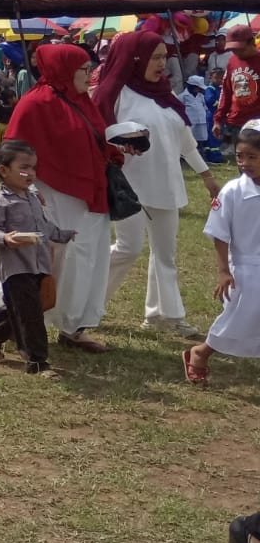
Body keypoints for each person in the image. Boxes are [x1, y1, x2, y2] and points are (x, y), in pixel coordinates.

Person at [98, 29, 221, 337]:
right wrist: (116, 145)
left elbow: (185, 141)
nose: (162, 65)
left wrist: (206, 176)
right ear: (135, 58)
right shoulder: (114, 94)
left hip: (165, 184)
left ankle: (165, 315)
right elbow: (97, 137)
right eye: (155, 58)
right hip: (129, 186)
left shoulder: (166, 95)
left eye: (164, 58)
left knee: (165, 254)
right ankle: (87, 302)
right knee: (128, 248)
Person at [0, 43, 120, 353]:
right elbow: (13, 152)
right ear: (64, 70)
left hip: (90, 194)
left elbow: (94, 139)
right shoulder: (35, 103)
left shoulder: (81, 101)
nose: (89, 74)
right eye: (83, 69)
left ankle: (75, 326)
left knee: (90, 258)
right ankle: (11, 324)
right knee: (51, 260)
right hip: (53, 193)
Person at [0, 140, 75, 377]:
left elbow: (44, 226)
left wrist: (62, 234)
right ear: (3, 170)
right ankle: (37, 362)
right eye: (24, 167)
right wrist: (6, 238)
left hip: (37, 263)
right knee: (30, 314)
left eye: (33, 168)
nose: (30, 173)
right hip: (15, 267)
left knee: (19, 308)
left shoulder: (32, 198)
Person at [184, 123, 260, 385]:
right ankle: (200, 353)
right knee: (240, 314)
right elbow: (219, 232)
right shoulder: (232, 192)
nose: (244, 163)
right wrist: (223, 270)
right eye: (240, 156)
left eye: (252, 157)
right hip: (245, 265)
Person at [218, 27, 260, 138]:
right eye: (233, 49)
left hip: (257, 123)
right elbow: (226, 91)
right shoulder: (232, 61)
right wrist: (218, 119)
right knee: (238, 154)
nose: (236, 53)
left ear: (251, 42)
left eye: (240, 49)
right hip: (235, 122)